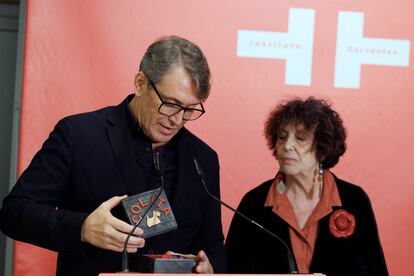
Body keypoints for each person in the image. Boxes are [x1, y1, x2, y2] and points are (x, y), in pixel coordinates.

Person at [0, 36, 227, 275]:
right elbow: (14, 213)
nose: (177, 119)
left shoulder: (203, 158)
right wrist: (82, 227)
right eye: (170, 104)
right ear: (141, 83)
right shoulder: (78, 135)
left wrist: (209, 265)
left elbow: (213, 247)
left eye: (190, 109)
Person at [225, 97, 388, 275]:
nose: (287, 146)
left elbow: (375, 271)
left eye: (300, 138)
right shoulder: (254, 202)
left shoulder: (353, 199)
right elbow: (233, 271)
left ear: (322, 148)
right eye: (282, 137)